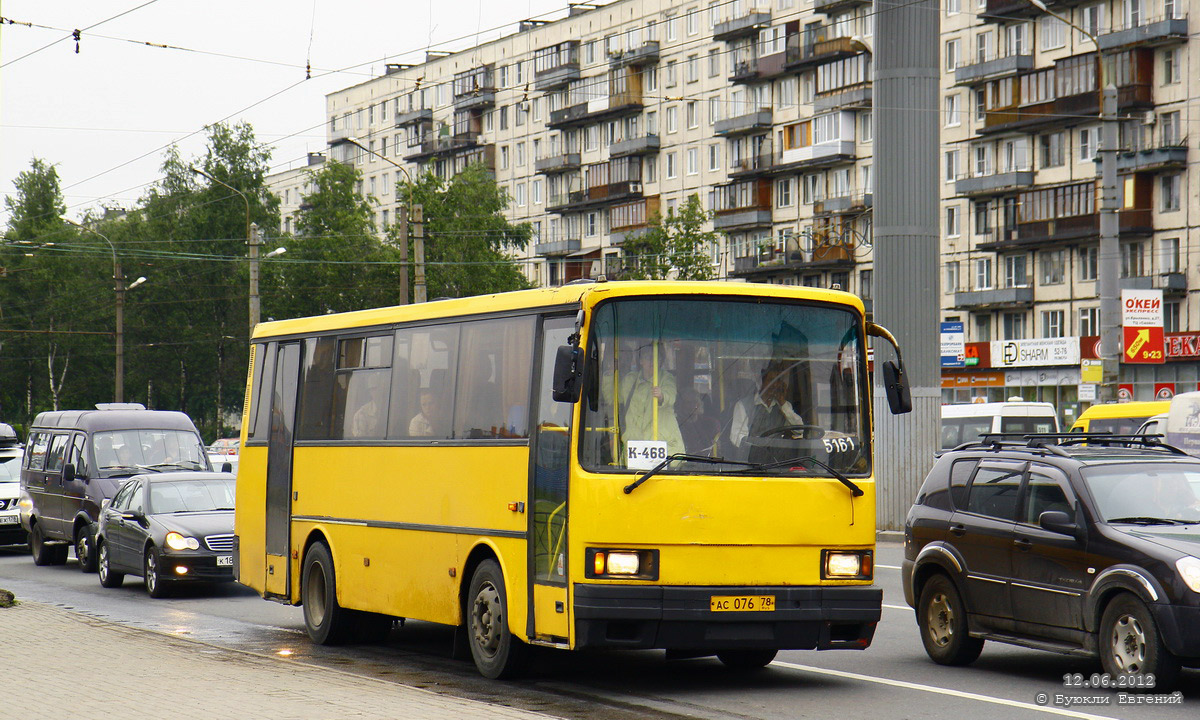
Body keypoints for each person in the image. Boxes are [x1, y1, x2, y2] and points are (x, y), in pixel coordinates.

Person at [618, 343, 684, 457]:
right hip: (634, 450)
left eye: (657, 358)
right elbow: (611, 398)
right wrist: (609, 372)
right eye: (648, 357)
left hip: (666, 449)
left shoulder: (666, 378)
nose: (653, 361)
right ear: (641, 361)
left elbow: (671, 395)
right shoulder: (630, 380)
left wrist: (662, 396)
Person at [729, 361, 806, 459]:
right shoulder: (743, 405)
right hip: (752, 462)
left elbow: (799, 430)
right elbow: (736, 438)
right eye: (770, 380)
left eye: (777, 381)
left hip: (778, 463)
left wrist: (782, 403)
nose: (774, 385)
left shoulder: (784, 406)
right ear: (761, 383)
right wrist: (757, 445)